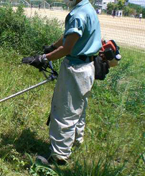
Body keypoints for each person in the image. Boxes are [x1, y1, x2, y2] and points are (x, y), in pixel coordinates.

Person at [22, 0, 102, 165]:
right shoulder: (86, 8)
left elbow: (67, 48)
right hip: (87, 66)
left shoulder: (78, 14)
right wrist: (52, 47)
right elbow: (69, 36)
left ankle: (58, 157)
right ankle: (74, 142)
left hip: (76, 69)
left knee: (65, 111)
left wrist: (43, 58)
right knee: (78, 109)